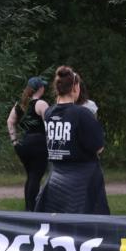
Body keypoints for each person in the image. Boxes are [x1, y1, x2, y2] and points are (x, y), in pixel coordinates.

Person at [34, 66, 109, 215]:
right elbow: (99, 147)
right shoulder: (82, 113)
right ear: (75, 87)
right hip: (82, 182)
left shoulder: (49, 113)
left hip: (55, 179)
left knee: (57, 224)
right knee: (84, 225)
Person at [6, 76, 49, 211]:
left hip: (24, 144)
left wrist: (14, 141)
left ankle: (29, 208)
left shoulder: (21, 104)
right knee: (35, 176)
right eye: (43, 86)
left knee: (31, 176)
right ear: (40, 89)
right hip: (39, 144)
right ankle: (32, 209)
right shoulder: (41, 104)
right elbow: (49, 125)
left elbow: (10, 122)